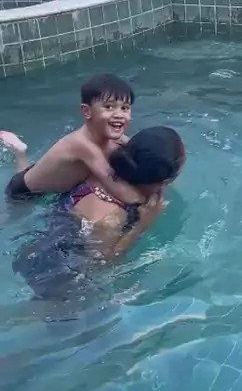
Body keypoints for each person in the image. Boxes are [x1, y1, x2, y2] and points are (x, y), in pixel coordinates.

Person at [13, 126, 186, 300]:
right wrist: (141, 226)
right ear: (165, 181)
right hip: (52, 273)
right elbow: (101, 265)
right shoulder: (110, 220)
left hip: (41, 237)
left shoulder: (104, 168)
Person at [2, 73, 141, 205]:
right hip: (25, 192)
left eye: (125, 108)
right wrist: (146, 200)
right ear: (87, 111)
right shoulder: (82, 145)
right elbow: (116, 187)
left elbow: (140, 148)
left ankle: (20, 151)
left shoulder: (115, 139)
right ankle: (19, 152)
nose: (119, 114)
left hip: (51, 178)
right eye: (109, 107)